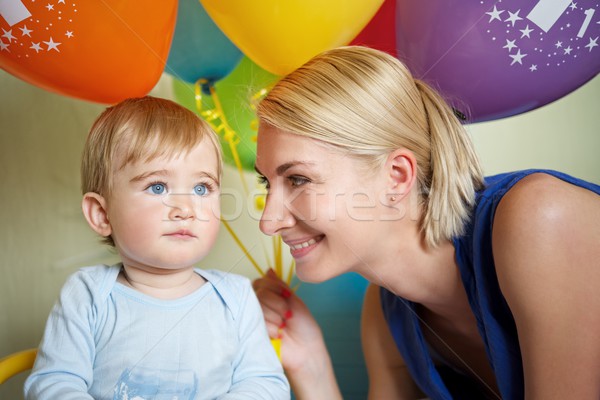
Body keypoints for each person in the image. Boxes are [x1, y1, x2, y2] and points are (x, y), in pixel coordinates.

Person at [252, 46, 600, 399]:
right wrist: (311, 365)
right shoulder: (387, 313)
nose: (269, 221)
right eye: (267, 182)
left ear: (397, 176)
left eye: (297, 179)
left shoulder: (542, 218)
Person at [25, 96, 289, 400]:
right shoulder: (88, 294)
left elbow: (265, 384)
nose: (185, 208)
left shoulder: (236, 297)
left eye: (201, 188)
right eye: (157, 187)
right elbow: (53, 385)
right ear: (102, 214)